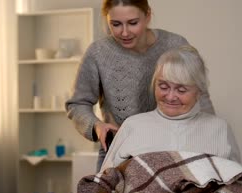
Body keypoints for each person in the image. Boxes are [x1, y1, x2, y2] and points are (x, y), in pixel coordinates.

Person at [65, 0, 215, 171]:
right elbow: (77, 104)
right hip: (119, 155)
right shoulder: (98, 53)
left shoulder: (175, 45)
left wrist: (212, 135)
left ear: (148, 16)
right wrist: (96, 126)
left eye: (133, 23)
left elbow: (200, 96)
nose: (124, 32)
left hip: (173, 151)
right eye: (115, 24)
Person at [100, 44, 241, 172]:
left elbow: (236, 187)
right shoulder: (133, 125)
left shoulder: (220, 129)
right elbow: (105, 180)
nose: (170, 97)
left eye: (181, 90)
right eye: (163, 87)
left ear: (199, 92)